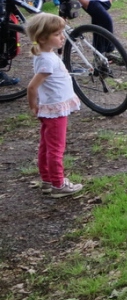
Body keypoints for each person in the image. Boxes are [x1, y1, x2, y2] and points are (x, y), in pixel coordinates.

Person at [26, 12, 83, 198]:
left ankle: (47, 180)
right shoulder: (47, 60)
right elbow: (32, 87)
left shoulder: (44, 54)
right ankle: (59, 184)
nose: (62, 37)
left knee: (46, 146)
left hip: (51, 108)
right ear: (43, 38)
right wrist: (33, 106)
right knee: (56, 148)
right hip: (54, 109)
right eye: (57, 34)